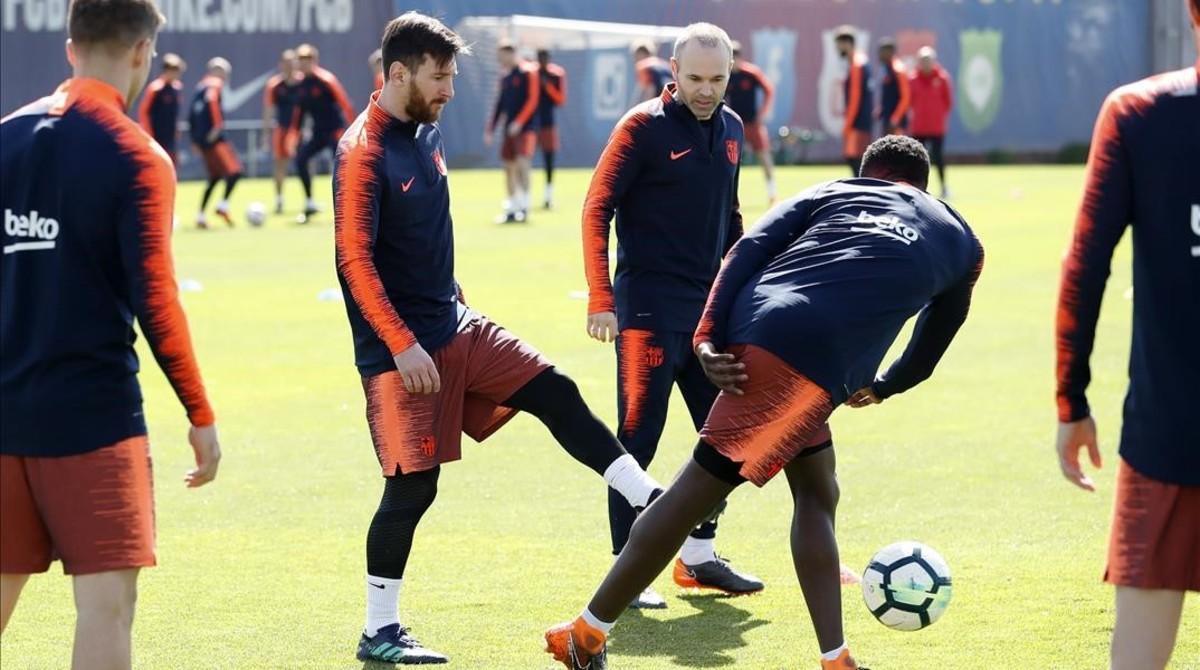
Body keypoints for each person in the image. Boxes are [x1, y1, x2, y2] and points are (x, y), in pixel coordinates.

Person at [548, 135, 984, 670]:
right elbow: (928, 351)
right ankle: (585, 635)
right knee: (692, 493)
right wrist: (887, 384)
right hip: (811, 366)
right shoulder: (963, 240)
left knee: (817, 489)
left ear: (868, 172)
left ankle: (836, 658)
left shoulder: (836, 189)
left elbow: (746, 250)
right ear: (923, 185)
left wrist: (707, 336)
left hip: (760, 326)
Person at [334, 13, 664, 664]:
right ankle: (380, 631)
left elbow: (425, 236)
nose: (451, 89)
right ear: (398, 74)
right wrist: (402, 343)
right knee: (412, 489)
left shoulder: (427, 133)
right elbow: (354, 261)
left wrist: (453, 297)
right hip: (401, 352)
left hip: (456, 323)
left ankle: (646, 498)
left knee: (554, 389)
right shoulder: (362, 150)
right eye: (441, 76)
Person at [0, 2, 222, 669]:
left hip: (5, 415)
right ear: (141, 52)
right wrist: (200, 414)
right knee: (106, 609)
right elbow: (157, 302)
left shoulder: (4, 140)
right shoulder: (137, 157)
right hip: (94, 419)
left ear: (71, 47)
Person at [583, 22, 764, 610]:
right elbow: (595, 208)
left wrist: (740, 295)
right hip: (646, 313)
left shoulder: (733, 129)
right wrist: (601, 297)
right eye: (695, 78)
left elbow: (731, 219)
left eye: (717, 79)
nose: (706, 90)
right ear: (673, 71)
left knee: (727, 439)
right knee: (636, 443)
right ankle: (624, 572)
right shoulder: (641, 127)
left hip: (708, 316)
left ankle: (699, 559)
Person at [1054, 2, 1200, 667]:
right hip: (1162, 433)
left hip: (1166, 431)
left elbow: (1085, 264)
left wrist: (1071, 401)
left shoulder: (1140, 112)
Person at [294, 43, 354, 223]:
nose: (304, 63)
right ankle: (310, 203)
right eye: (301, 60)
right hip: (318, 133)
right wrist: (296, 135)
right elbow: (300, 113)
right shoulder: (301, 84)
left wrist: (356, 130)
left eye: (307, 59)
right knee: (301, 159)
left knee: (342, 167)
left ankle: (349, 206)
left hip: (335, 130)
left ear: (314, 60)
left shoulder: (326, 80)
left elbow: (345, 104)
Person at [484, 40, 539, 223]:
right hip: (509, 130)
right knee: (509, 167)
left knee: (523, 164)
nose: (500, 60)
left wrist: (519, 122)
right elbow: (500, 104)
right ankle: (511, 208)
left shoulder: (528, 72)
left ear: (511, 53)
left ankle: (524, 207)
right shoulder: (504, 77)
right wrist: (491, 129)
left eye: (502, 56)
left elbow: (532, 100)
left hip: (526, 129)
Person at [188, 56, 242, 228]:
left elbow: (191, 115)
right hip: (214, 139)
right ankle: (222, 206)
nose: (226, 76)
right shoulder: (214, 85)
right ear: (215, 71)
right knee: (235, 172)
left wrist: (195, 139)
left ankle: (201, 216)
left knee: (215, 177)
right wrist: (217, 127)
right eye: (224, 72)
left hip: (203, 140)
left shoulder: (199, 87)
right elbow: (212, 102)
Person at [726, 40, 777, 204]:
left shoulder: (751, 73)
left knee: (764, 157)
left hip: (753, 123)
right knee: (728, 160)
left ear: (740, 57)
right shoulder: (725, 76)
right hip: (734, 124)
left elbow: (769, 89)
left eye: (735, 57)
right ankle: (729, 197)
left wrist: (764, 111)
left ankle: (772, 193)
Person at [908, 46, 953, 199]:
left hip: (936, 127)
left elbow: (948, 102)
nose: (925, 63)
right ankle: (916, 188)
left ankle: (943, 186)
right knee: (917, 159)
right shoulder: (913, 79)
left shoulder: (942, 78)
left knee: (938, 158)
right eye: (922, 60)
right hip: (919, 126)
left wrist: (937, 116)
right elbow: (909, 101)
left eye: (928, 60)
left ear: (934, 61)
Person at [262, 48, 303, 214]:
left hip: (299, 130)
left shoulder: (302, 83)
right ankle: (279, 199)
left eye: (292, 62)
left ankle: (308, 200)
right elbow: (268, 110)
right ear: (281, 65)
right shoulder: (275, 85)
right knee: (280, 164)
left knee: (305, 163)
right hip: (282, 129)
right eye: (286, 63)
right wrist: (265, 134)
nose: (289, 66)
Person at [834, 26, 871, 177]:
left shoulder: (857, 64)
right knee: (855, 158)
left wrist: (848, 124)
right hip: (861, 120)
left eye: (838, 45)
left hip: (857, 122)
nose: (837, 48)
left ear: (847, 43)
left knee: (854, 158)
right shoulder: (859, 61)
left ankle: (864, 193)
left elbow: (855, 98)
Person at [137, 52, 184, 163]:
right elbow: (144, 111)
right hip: (156, 134)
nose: (177, 75)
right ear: (167, 70)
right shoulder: (156, 88)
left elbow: (175, 112)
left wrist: (177, 127)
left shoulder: (177, 88)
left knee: (172, 162)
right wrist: (149, 133)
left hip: (170, 134)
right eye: (175, 71)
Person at [534, 48, 566, 209]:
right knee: (523, 160)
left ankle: (548, 195)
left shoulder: (556, 75)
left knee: (549, 159)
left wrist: (547, 87)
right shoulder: (532, 73)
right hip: (531, 123)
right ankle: (523, 198)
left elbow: (560, 100)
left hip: (547, 123)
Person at [876, 38, 910, 136]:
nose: (880, 55)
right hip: (887, 120)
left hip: (896, 123)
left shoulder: (898, 70)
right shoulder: (886, 68)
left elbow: (905, 98)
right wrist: (880, 110)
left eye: (882, 51)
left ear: (890, 51)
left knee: (897, 149)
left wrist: (896, 117)